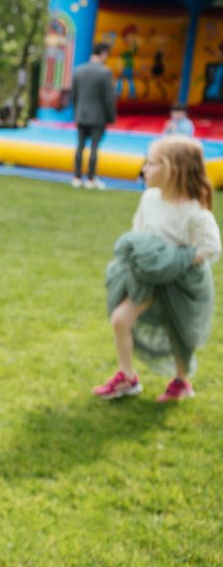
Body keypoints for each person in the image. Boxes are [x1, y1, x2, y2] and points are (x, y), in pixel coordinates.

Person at [92, 135, 220, 403]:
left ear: (173, 169)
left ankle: (182, 381)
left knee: (178, 331)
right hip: (147, 279)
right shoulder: (150, 198)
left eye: (152, 164)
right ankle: (127, 377)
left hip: (180, 282)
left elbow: (211, 248)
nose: (144, 169)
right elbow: (139, 230)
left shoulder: (195, 211)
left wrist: (176, 259)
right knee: (120, 319)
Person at [71, 42, 116, 189]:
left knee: (80, 146)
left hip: (81, 114)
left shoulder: (78, 70)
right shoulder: (105, 72)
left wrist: (77, 112)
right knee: (94, 147)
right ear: (103, 54)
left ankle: (77, 177)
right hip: (98, 116)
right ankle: (90, 179)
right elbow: (109, 98)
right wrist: (111, 117)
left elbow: (74, 95)